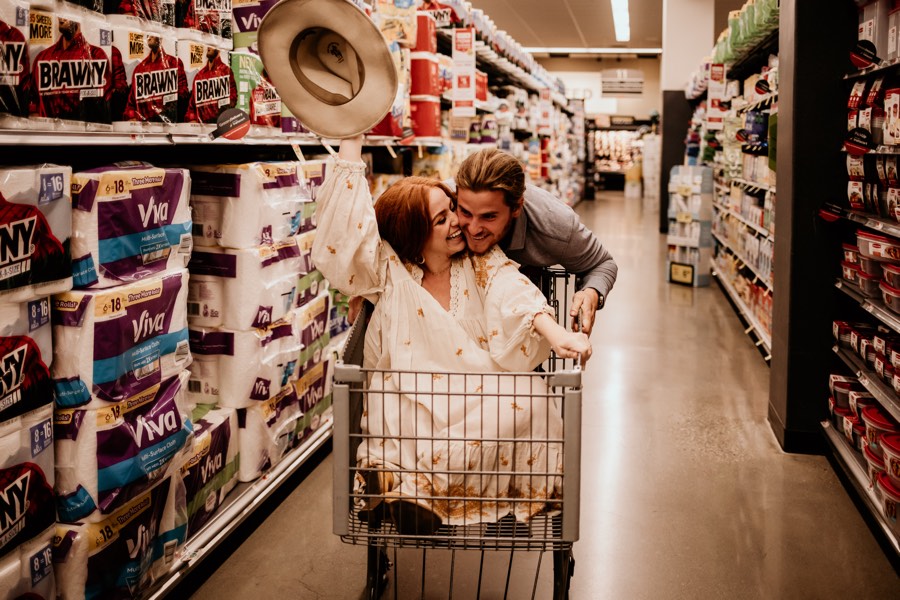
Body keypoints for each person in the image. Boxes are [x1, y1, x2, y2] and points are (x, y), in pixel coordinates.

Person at [312, 136, 591, 535]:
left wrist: (556, 332)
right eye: (442, 219)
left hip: (479, 390)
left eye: (451, 212)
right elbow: (342, 240)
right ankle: (409, 490)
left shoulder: (479, 263)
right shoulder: (390, 273)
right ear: (413, 234)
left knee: (531, 398)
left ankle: (408, 489)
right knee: (393, 404)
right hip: (412, 391)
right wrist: (351, 143)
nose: (459, 224)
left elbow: (514, 293)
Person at [446, 148, 618, 335]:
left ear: (517, 207)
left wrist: (591, 293)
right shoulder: (439, 203)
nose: (473, 228)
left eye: (489, 217)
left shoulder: (555, 226)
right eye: (465, 212)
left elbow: (603, 264)